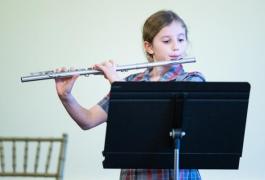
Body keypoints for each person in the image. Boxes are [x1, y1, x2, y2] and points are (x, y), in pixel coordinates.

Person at [56, 10, 205, 180]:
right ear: (148, 47)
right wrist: (66, 96)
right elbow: (88, 120)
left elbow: (155, 121)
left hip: (176, 175)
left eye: (181, 39)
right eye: (166, 41)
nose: (176, 47)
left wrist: (118, 84)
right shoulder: (132, 82)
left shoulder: (192, 80)